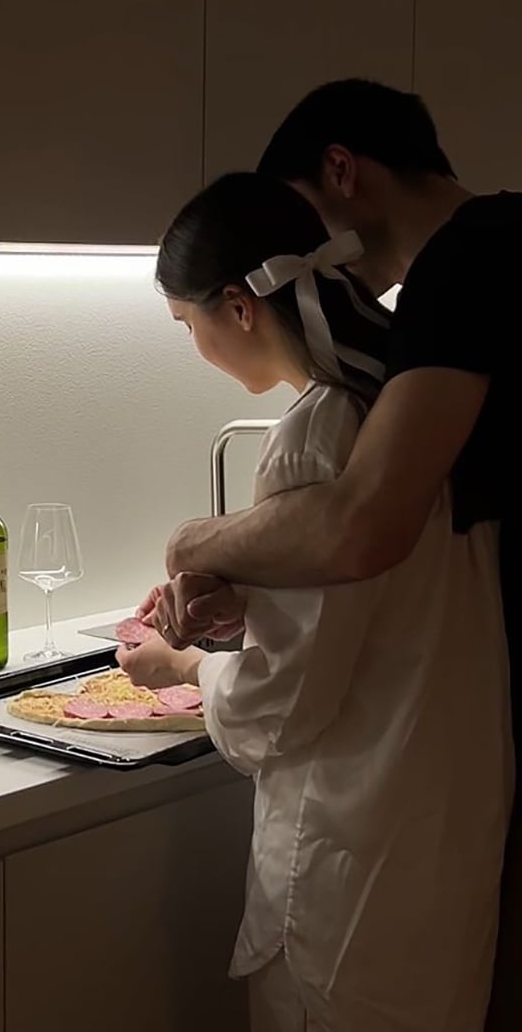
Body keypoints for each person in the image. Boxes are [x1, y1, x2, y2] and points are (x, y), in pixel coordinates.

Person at [143, 80, 521, 1028]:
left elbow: (285, 704)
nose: (195, 346)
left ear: (237, 306)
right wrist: (250, 598)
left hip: (355, 853)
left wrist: (182, 666)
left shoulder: (323, 431)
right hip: (447, 821)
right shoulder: (415, 394)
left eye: (186, 326)